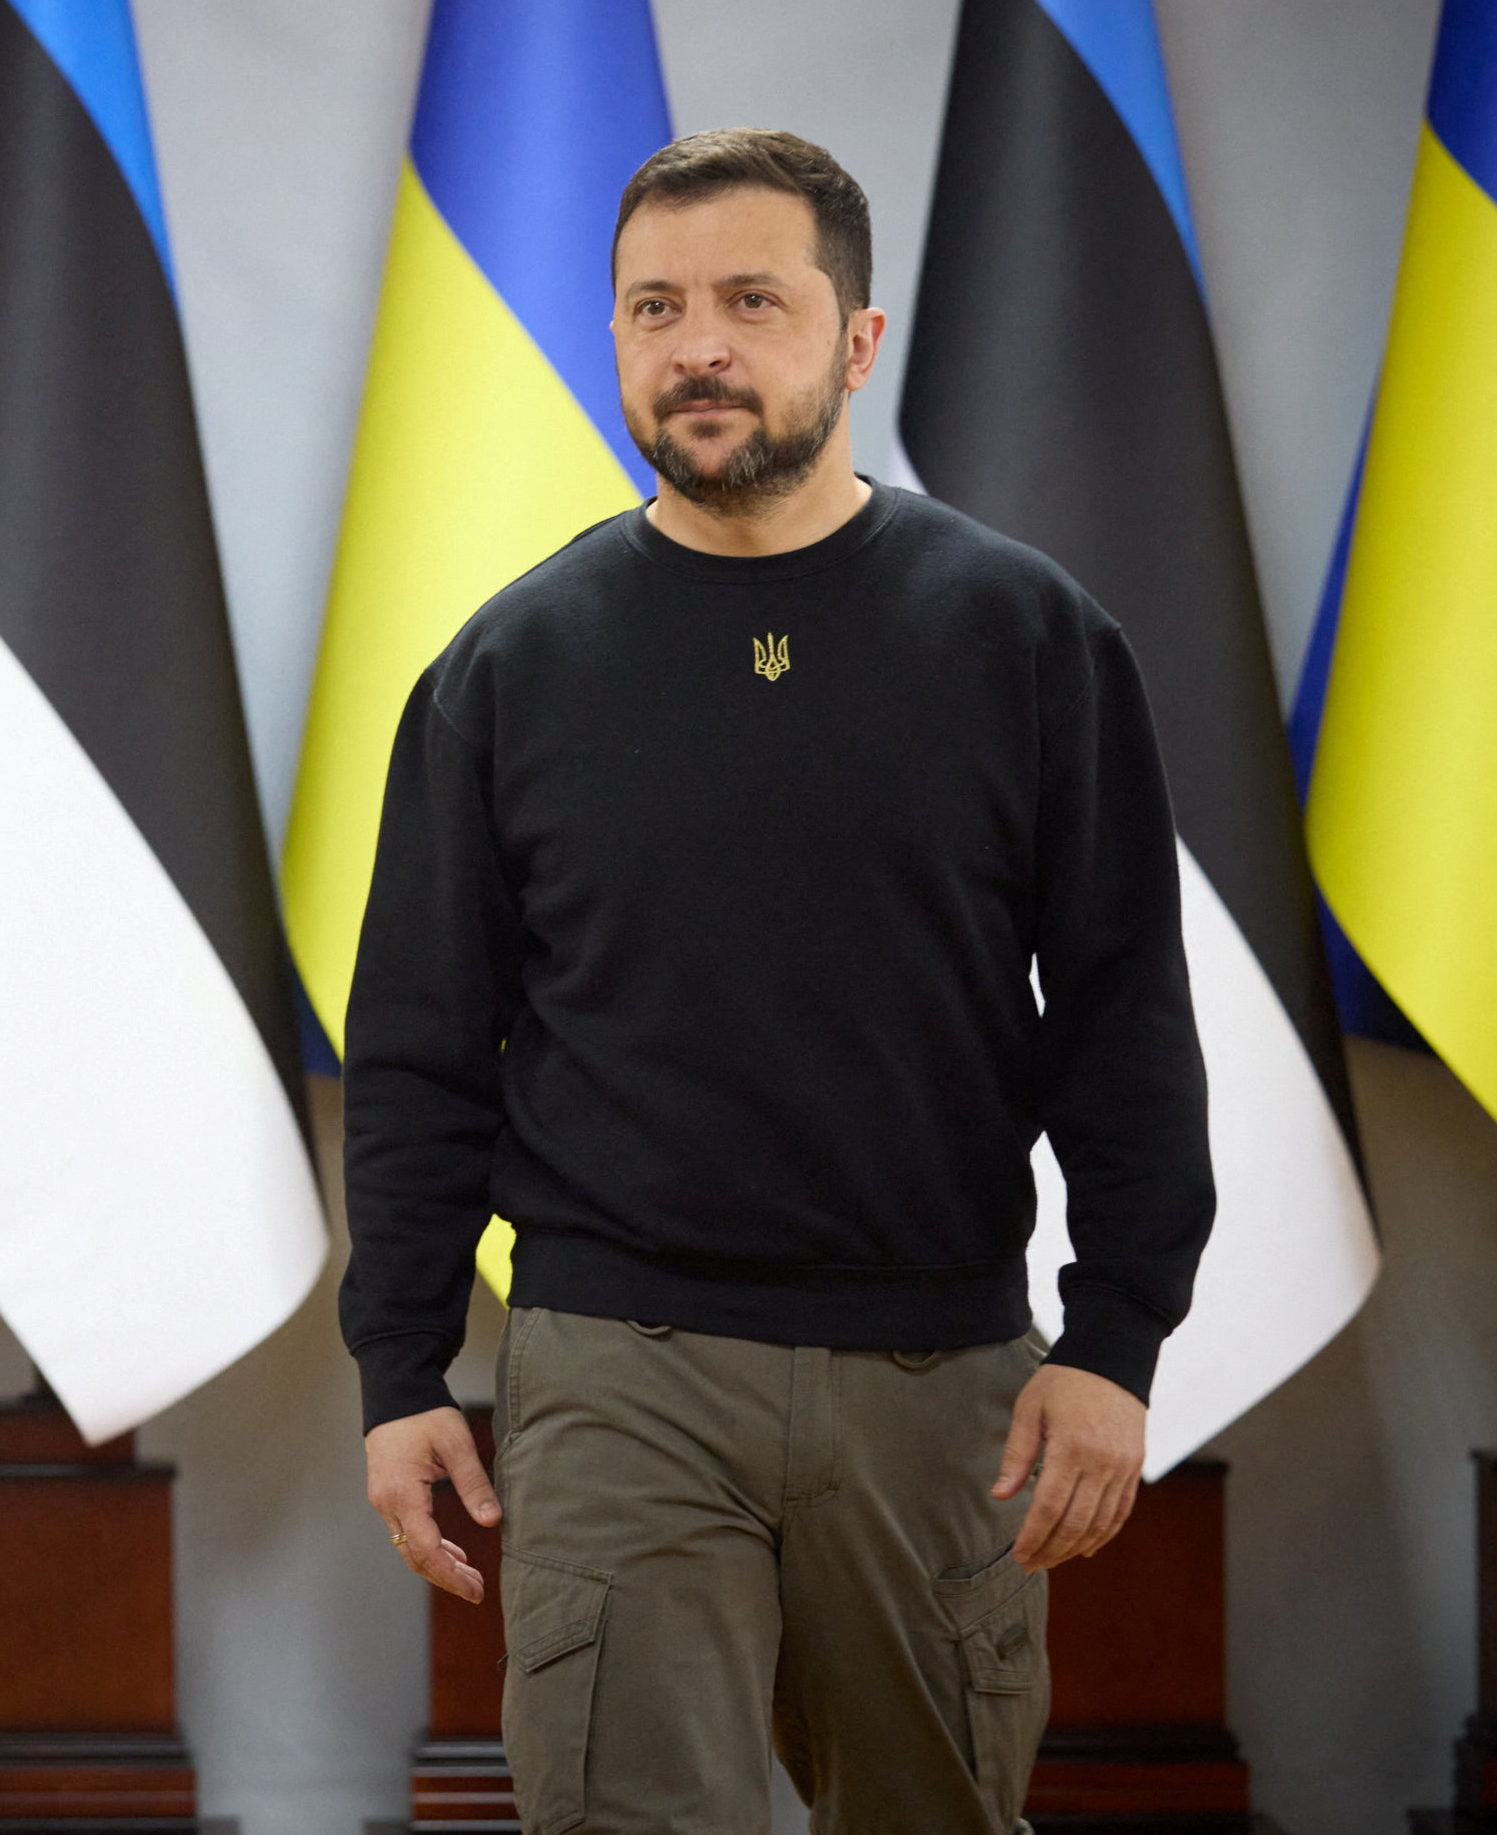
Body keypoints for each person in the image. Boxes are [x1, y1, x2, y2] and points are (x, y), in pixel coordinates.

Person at [341, 127, 1214, 1835]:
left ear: (858, 338)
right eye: (655, 306)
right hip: (616, 1372)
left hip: (941, 1376)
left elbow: (1125, 1011)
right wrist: (398, 1370)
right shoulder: (508, 668)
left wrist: (1116, 1333)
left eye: (752, 297)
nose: (701, 346)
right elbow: (421, 1058)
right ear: (616, 338)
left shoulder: (1029, 640)